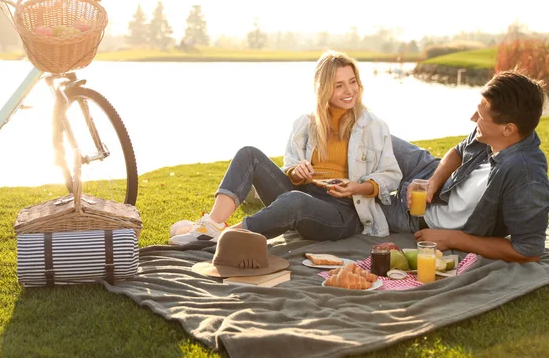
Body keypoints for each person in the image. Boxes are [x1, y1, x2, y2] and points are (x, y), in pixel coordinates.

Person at [169, 50, 402, 246]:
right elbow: (290, 164)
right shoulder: (306, 123)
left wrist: (358, 187)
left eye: (352, 82)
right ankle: (211, 226)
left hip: (344, 212)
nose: (349, 91)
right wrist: (296, 170)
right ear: (323, 89)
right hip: (303, 195)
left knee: (295, 200)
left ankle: (225, 239)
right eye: (339, 85)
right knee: (249, 154)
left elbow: (392, 176)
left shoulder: (374, 126)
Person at [382, 71, 548, 263]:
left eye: (481, 117)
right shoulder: (492, 135)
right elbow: (458, 152)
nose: (472, 118)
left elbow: (528, 251)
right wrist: (432, 183)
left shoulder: (527, 177)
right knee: (374, 137)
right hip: (431, 175)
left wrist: (453, 239)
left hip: (418, 217)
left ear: (508, 129)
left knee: (351, 202)